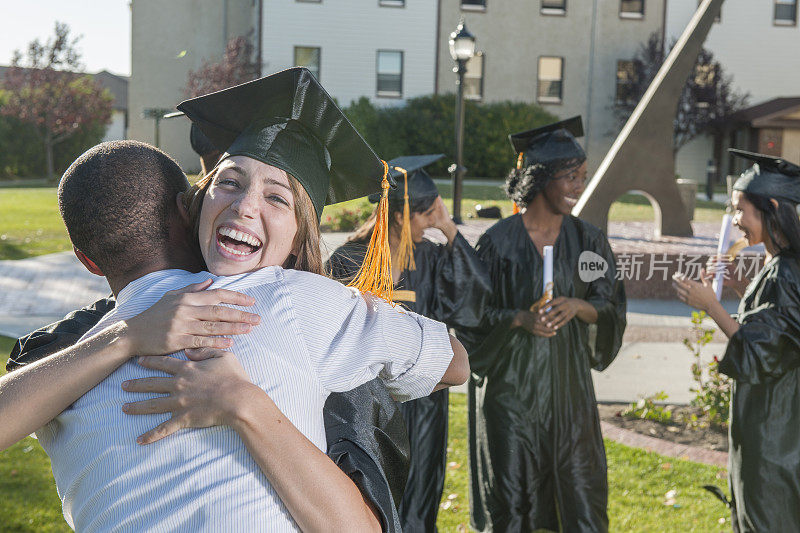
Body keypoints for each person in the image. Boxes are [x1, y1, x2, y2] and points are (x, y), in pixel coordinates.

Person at [0, 68, 468, 532]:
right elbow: (454, 363)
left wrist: (130, 339)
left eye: (277, 198)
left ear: (88, 261)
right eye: (230, 182)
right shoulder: (304, 301)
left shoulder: (56, 364)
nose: (245, 206)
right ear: (192, 207)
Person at [457, 116, 626, 532]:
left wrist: (576, 307)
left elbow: (609, 302)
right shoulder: (498, 243)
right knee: (514, 504)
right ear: (540, 177)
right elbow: (471, 317)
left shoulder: (589, 240)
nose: (578, 187)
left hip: (569, 398)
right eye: (570, 177)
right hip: (511, 398)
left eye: (582, 177)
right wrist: (519, 318)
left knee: (580, 499)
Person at [327, 154, 491, 532]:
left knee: (420, 495)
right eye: (425, 216)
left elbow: (473, 302)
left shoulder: (429, 258)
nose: (429, 225)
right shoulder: (350, 258)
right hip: (367, 405)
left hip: (426, 400)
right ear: (400, 215)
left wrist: (449, 228)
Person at [673, 149, 800, 533]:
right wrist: (737, 286)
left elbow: (763, 349)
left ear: (772, 206)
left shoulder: (786, 270)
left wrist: (711, 305)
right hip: (774, 415)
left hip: (775, 424)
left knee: (768, 514)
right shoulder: (781, 265)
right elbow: (775, 324)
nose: (734, 221)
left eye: (739, 209)